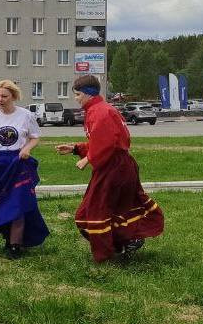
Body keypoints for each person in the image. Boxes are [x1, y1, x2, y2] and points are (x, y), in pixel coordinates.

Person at [55, 75, 164, 262]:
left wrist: (88, 158)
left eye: (78, 94)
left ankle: (109, 253)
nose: (76, 98)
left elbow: (107, 143)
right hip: (116, 166)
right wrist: (76, 149)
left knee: (93, 212)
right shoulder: (98, 110)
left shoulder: (100, 112)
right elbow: (100, 141)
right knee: (111, 210)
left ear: (89, 94)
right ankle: (124, 243)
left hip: (114, 168)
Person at [0, 80, 50, 258]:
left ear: (13, 97)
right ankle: (6, 236)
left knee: (18, 204)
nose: (0, 100)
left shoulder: (25, 115)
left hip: (17, 164)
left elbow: (34, 137)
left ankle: (15, 245)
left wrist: (26, 149)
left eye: (4, 96)